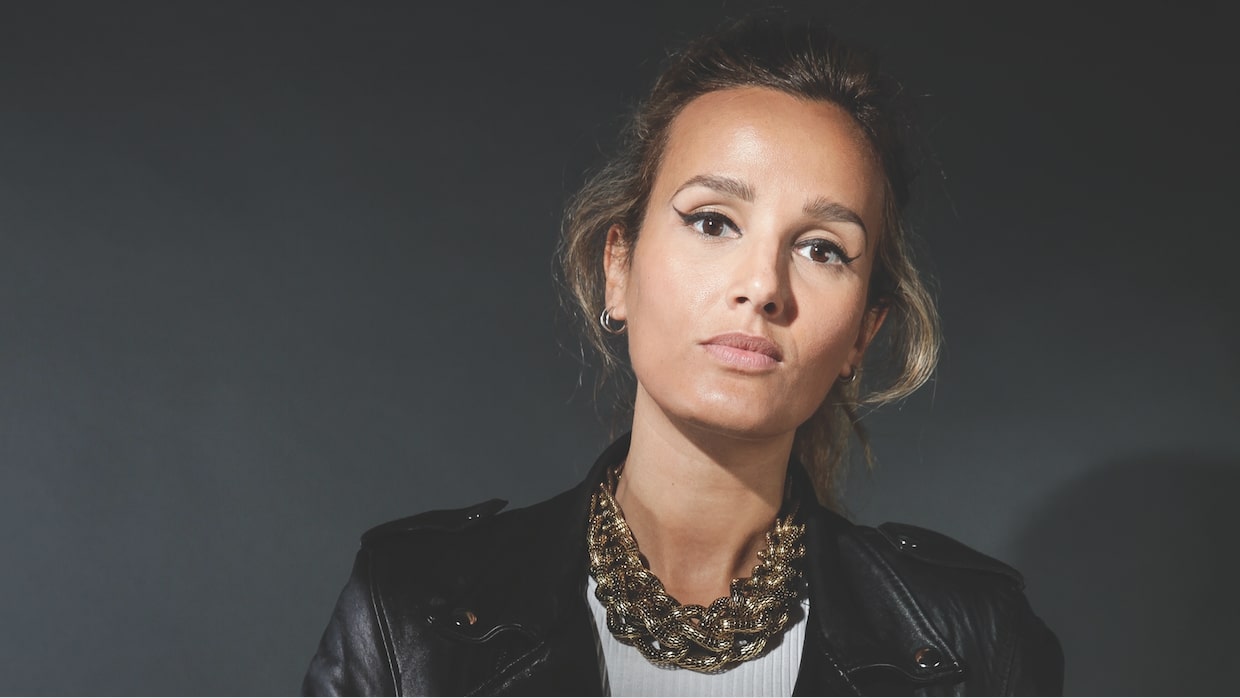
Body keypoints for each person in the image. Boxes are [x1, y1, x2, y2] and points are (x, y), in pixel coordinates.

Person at [303, 16, 1063, 696]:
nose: (762, 287)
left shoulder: (975, 639)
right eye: (712, 222)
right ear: (619, 268)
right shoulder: (411, 608)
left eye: (822, 248)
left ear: (863, 334)